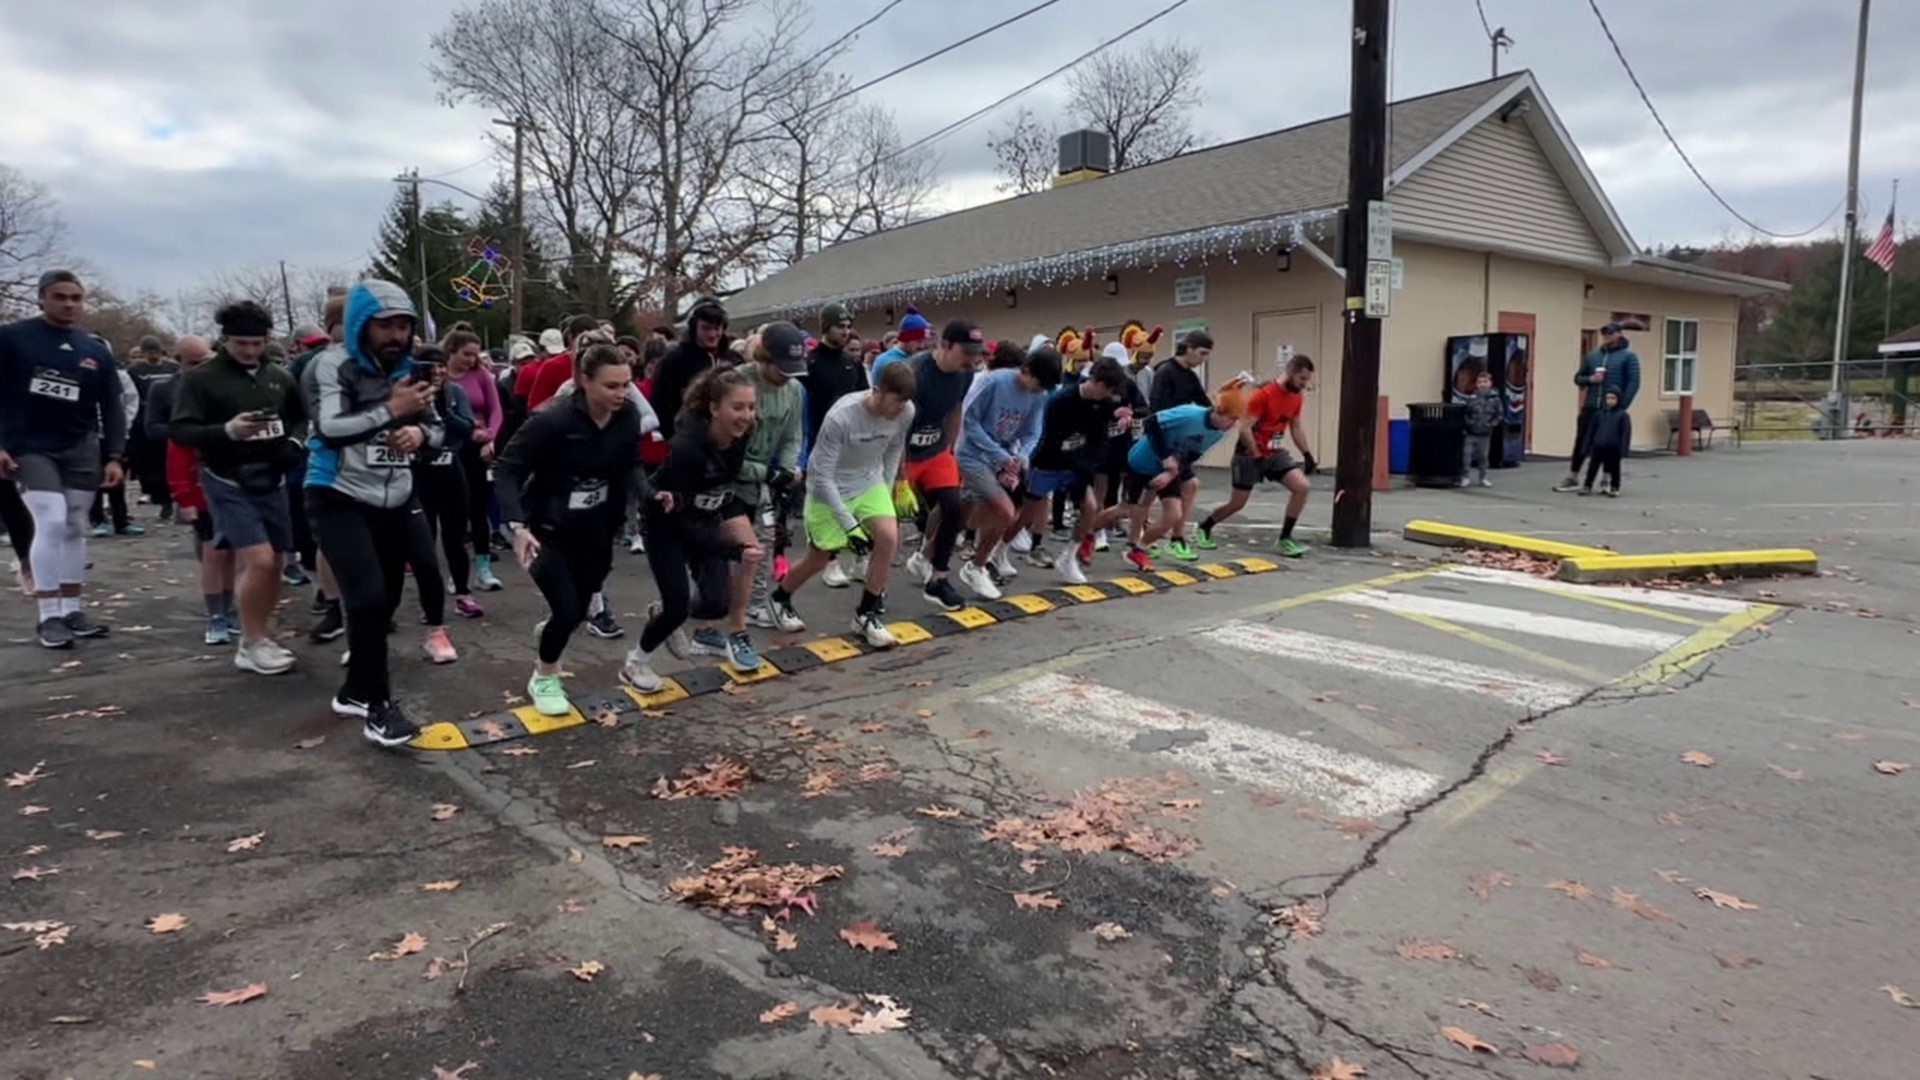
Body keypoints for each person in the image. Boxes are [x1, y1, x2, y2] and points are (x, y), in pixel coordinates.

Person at [304, 280, 445, 747]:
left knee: (380, 603)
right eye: (385, 325)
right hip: (337, 493)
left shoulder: (414, 368)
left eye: (404, 325)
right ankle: (379, 709)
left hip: (394, 496)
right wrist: (391, 411)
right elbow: (329, 429)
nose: (396, 335)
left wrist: (420, 437)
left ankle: (353, 692)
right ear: (362, 324)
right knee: (363, 600)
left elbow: (442, 430)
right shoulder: (333, 364)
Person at [497, 342, 663, 715]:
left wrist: (649, 495)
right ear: (583, 381)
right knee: (569, 609)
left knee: (579, 604)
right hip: (546, 529)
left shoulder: (628, 416)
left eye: (625, 384)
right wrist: (517, 525)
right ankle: (545, 676)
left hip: (598, 529)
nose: (621, 393)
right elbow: (508, 467)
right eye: (611, 386)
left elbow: (630, 464)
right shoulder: (552, 420)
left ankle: (555, 630)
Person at [170, 300, 311, 674]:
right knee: (260, 560)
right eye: (240, 343)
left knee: (277, 562)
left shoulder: (279, 376)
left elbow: (300, 419)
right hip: (226, 478)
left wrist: (294, 446)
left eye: (257, 343)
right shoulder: (201, 379)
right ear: (224, 339)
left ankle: (259, 635)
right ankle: (248, 643)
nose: (250, 351)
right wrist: (226, 431)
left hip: (273, 476)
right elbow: (181, 430)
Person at [0, 270, 128, 649]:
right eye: (60, 297)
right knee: (51, 520)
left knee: (75, 524)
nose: (69, 304)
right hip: (30, 445)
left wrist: (116, 456)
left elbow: (113, 406)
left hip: (80, 445)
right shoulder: (11, 339)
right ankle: (48, 616)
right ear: (42, 299)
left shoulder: (94, 349)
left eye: (76, 297)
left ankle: (73, 608)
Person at [622, 367, 762, 693]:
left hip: (704, 518)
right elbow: (681, 522)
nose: (746, 416)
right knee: (677, 607)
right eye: (737, 407)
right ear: (714, 408)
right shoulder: (687, 447)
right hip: (665, 524)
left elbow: (721, 487)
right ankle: (636, 661)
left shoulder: (743, 434)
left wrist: (736, 523)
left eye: (751, 407)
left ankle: (668, 613)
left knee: (717, 603)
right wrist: (733, 549)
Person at [764, 361, 915, 646]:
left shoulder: (906, 411)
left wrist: (887, 489)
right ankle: (780, 597)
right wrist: (850, 524)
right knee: (820, 558)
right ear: (877, 391)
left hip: (869, 481)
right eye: (897, 400)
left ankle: (866, 614)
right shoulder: (842, 417)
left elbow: (894, 448)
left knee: (888, 537)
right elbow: (821, 475)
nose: (901, 408)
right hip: (828, 486)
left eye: (906, 401)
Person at [147, 335, 236, 644]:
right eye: (194, 363)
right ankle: (216, 615)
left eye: (206, 361)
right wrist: (182, 497)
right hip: (200, 490)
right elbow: (173, 449)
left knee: (230, 554)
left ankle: (228, 608)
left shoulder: (226, 393)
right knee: (212, 553)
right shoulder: (174, 398)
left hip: (231, 486)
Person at [954, 344, 1061, 599]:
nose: (1037, 392)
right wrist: (999, 455)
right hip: (973, 454)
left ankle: (931, 554)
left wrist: (1021, 454)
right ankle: (976, 566)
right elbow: (970, 421)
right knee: (1004, 510)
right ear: (1025, 371)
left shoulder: (1039, 396)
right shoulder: (995, 382)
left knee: (965, 509)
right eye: (1036, 385)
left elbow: (1033, 431)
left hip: (1002, 458)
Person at [1021, 356, 1134, 585]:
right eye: (1107, 388)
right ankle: (999, 550)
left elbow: (1098, 439)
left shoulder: (1104, 404)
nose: (1108, 394)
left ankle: (1069, 556)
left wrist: (1088, 464)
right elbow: (1047, 438)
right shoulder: (1060, 400)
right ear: (1097, 381)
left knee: (1090, 507)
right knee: (1027, 512)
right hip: (1047, 461)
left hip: (1076, 464)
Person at [1194, 354, 1318, 559]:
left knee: (1302, 487)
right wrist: (1255, 453)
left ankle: (1285, 538)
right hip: (1248, 453)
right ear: (1290, 373)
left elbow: (1296, 426)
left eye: (1306, 380)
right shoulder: (1264, 395)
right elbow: (1244, 429)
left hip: (1275, 453)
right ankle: (1205, 526)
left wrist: (1307, 454)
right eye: (1302, 379)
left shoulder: (1297, 397)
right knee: (1238, 503)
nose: (1304, 384)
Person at [898, 319, 983, 610]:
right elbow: (894, 421)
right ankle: (873, 585)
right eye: (966, 352)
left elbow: (956, 408)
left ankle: (938, 578)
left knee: (953, 507)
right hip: (903, 452)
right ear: (945, 345)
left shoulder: (966, 374)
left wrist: (950, 449)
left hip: (936, 450)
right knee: (889, 525)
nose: (972, 359)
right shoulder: (915, 372)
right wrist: (897, 470)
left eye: (976, 352)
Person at [734, 322, 807, 651]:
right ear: (765, 358)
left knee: (763, 539)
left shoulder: (793, 391)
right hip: (730, 474)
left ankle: (755, 602)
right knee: (729, 546)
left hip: (764, 474)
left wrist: (787, 469)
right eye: (782, 367)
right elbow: (723, 447)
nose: (787, 375)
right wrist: (766, 472)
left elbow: (793, 434)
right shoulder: (738, 382)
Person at [1123, 388, 1247, 572]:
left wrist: (1170, 473)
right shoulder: (1190, 414)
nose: (1234, 424)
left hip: (1171, 465)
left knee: (1173, 514)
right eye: (1232, 418)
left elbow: (1191, 456)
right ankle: (1091, 531)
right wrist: (1166, 457)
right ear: (1219, 412)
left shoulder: (1219, 433)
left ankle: (1139, 548)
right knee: (1127, 509)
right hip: (1146, 457)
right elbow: (1150, 424)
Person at [408, 346, 483, 622]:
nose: (439, 371)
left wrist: (446, 412)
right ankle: (429, 602)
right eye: (432, 366)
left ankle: (463, 594)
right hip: (420, 473)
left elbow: (467, 427)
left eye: (442, 366)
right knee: (423, 543)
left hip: (452, 468)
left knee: (456, 538)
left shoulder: (455, 393)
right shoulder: (411, 395)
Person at [803, 303, 870, 588]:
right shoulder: (810, 364)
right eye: (838, 326)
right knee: (828, 505)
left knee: (856, 501)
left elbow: (865, 400)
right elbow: (804, 407)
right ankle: (830, 560)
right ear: (825, 328)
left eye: (847, 327)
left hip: (853, 443)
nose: (844, 332)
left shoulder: (851, 363)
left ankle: (858, 557)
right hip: (821, 441)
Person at [443, 330, 505, 592]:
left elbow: (496, 410)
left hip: (478, 447)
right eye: (466, 354)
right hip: (449, 447)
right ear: (452, 351)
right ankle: (455, 571)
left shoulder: (481, 375)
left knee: (478, 509)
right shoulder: (440, 376)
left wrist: (490, 438)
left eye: (475, 355)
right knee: (452, 514)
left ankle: (483, 568)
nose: (471, 360)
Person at [1148, 332, 1213, 562]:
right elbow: (1154, 413)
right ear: (1189, 347)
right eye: (1202, 353)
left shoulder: (1190, 377)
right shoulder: (1165, 372)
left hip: (1180, 442)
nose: (1203, 359)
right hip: (1160, 440)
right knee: (1148, 495)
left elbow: (1206, 405)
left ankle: (1177, 538)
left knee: (1191, 484)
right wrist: (1164, 452)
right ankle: (1144, 539)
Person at [1556, 321, 1641, 493]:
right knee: (1582, 440)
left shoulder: (1629, 356)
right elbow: (1579, 378)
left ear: (1619, 334)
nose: (1607, 336)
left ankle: (1606, 478)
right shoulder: (1592, 356)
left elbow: (1634, 382)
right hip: (1591, 404)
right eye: (1605, 333)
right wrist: (1590, 380)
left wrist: (1622, 405)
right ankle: (1573, 476)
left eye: (1610, 333)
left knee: (1608, 444)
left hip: (1611, 408)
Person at [651, 297, 732, 442]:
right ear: (694, 327)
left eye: (717, 328)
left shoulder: (733, 359)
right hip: (686, 441)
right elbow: (661, 404)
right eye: (706, 328)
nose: (712, 334)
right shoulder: (674, 360)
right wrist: (675, 439)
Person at [125, 334, 179, 523]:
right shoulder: (135, 371)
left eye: (156, 352)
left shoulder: (173, 369)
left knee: (171, 463)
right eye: (149, 352)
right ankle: (158, 495)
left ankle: (171, 500)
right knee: (150, 466)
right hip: (145, 422)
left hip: (169, 419)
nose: (153, 356)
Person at [89, 357, 143, 537]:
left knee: (118, 479)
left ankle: (121, 521)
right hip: (90, 435)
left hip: (116, 435)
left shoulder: (120, 377)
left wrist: (121, 426)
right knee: (93, 477)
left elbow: (131, 402)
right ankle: (97, 520)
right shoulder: (80, 374)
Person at [525, 315, 605, 410]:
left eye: (595, 342)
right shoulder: (553, 366)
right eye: (584, 343)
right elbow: (535, 406)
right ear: (570, 338)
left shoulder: (610, 367)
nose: (588, 349)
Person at [1580, 389, 1630, 497]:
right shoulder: (1599, 414)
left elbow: (1625, 433)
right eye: (1608, 398)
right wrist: (1586, 447)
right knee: (1592, 467)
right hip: (1598, 446)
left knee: (1614, 468)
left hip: (1613, 447)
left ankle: (1614, 487)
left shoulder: (1622, 415)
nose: (1610, 401)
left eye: (1613, 398)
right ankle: (1587, 485)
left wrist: (1623, 449)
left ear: (1618, 400)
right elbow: (1591, 431)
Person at [1459, 369, 1499, 489]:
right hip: (1470, 432)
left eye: (1485, 381)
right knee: (1466, 456)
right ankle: (1465, 477)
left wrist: (1491, 424)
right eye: (1480, 382)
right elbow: (1465, 413)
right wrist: (1468, 423)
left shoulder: (1495, 399)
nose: (1482, 384)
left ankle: (1483, 477)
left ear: (1490, 383)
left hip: (1485, 433)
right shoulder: (1471, 398)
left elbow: (1499, 414)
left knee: (1483, 457)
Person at [869, 306, 930, 380]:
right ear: (906, 338)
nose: (922, 345)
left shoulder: (922, 360)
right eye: (918, 341)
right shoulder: (884, 362)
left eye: (924, 341)